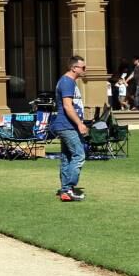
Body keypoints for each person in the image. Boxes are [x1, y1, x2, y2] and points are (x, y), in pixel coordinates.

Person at [50, 56, 88, 202]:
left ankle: (65, 190)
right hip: (67, 126)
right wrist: (79, 124)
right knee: (79, 155)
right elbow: (67, 106)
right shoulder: (67, 82)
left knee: (67, 157)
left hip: (67, 125)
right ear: (74, 68)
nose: (85, 70)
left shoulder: (69, 81)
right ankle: (69, 189)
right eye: (83, 67)